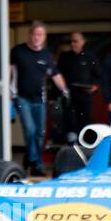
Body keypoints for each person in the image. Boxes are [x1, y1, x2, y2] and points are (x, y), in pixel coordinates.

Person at [10, 21, 68, 176]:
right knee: (30, 130)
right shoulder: (18, 51)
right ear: (30, 35)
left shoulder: (47, 56)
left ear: (44, 37)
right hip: (21, 98)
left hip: (40, 100)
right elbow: (8, 71)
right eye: (34, 34)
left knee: (40, 134)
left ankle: (30, 158)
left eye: (40, 35)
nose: (36, 38)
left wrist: (65, 91)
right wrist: (7, 94)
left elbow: (55, 75)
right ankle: (36, 165)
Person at [56, 32, 100, 139]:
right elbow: (57, 75)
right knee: (68, 121)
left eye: (75, 41)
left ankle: (85, 145)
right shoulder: (64, 57)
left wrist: (95, 87)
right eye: (71, 41)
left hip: (85, 95)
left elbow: (99, 75)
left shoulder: (90, 57)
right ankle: (70, 146)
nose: (72, 44)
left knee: (85, 121)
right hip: (68, 95)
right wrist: (54, 97)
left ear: (82, 42)